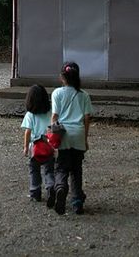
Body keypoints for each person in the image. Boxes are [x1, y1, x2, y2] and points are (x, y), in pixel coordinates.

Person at [51, 61, 93, 215]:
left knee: (61, 167)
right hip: (78, 134)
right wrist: (85, 139)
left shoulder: (57, 93)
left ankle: (61, 187)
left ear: (62, 77)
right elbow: (87, 118)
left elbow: (55, 116)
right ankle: (77, 202)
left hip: (63, 134)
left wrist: (53, 135)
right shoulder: (84, 95)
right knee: (76, 170)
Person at [21, 84, 55, 204]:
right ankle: (51, 186)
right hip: (48, 147)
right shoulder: (50, 112)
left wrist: (25, 147)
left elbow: (27, 132)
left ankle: (35, 192)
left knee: (34, 171)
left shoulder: (30, 115)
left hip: (34, 148)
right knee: (49, 170)